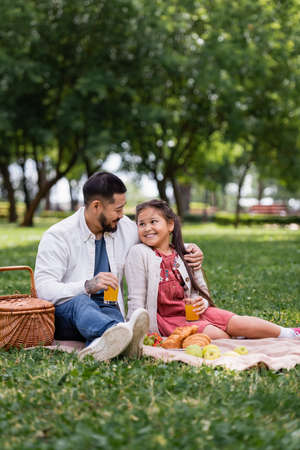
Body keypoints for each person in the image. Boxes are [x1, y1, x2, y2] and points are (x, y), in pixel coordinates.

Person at [34, 172, 204, 361]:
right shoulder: (59, 236)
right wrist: (87, 285)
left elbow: (155, 238)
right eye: (117, 209)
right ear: (96, 206)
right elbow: (43, 288)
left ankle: (103, 345)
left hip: (107, 307)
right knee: (82, 302)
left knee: (113, 316)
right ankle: (122, 334)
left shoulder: (122, 227)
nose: (122, 215)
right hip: (67, 314)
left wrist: (186, 249)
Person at [125, 199, 300, 340]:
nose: (147, 228)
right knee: (218, 336)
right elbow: (136, 298)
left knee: (236, 321)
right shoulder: (139, 253)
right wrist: (136, 334)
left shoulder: (185, 253)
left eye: (153, 222)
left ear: (170, 225)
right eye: (141, 224)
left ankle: (289, 333)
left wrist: (203, 303)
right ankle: (242, 338)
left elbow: (201, 291)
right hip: (169, 320)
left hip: (195, 313)